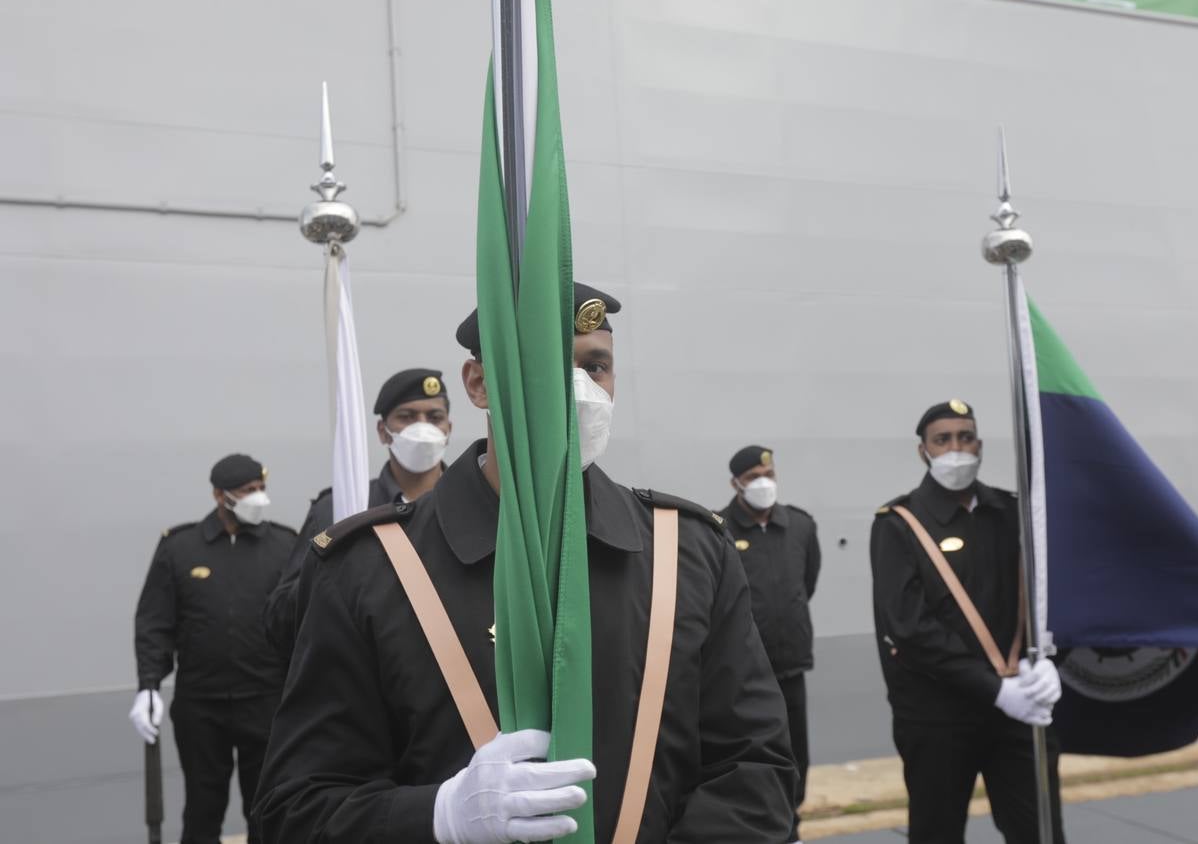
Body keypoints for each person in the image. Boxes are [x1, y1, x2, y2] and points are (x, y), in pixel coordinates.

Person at [254, 283, 796, 843]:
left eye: (597, 367)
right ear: (480, 383)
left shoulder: (687, 554)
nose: (580, 389)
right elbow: (296, 809)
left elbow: (754, 769)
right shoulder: (369, 568)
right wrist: (436, 818)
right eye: (545, 362)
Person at [870, 400, 1065, 844]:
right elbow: (909, 626)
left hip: (1020, 710)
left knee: (1041, 831)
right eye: (943, 439)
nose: (956, 449)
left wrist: (1052, 657)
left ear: (980, 444)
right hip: (939, 716)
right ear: (924, 450)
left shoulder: (1014, 513)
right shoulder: (899, 524)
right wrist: (996, 689)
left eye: (966, 437)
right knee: (937, 833)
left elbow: (1048, 594)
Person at [131, 454, 296, 844]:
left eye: (261, 489)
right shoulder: (181, 547)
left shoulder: (284, 545)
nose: (258, 498)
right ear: (220, 496)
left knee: (267, 807)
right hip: (201, 706)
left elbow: (303, 621)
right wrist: (148, 684)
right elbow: (155, 621)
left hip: (267, 701)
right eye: (247, 491)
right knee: (203, 807)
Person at [264, 368, 452, 658]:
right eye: (407, 416)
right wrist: (329, 572)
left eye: (434, 417)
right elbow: (279, 622)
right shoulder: (339, 509)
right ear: (382, 431)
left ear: (448, 429)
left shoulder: (473, 504)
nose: (422, 427)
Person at [722, 444, 820, 844]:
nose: (763, 484)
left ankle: (790, 827)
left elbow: (807, 582)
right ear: (736, 484)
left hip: (791, 663)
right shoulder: (720, 528)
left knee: (797, 753)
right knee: (751, 754)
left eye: (768, 475)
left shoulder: (800, 526)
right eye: (752, 478)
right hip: (745, 673)